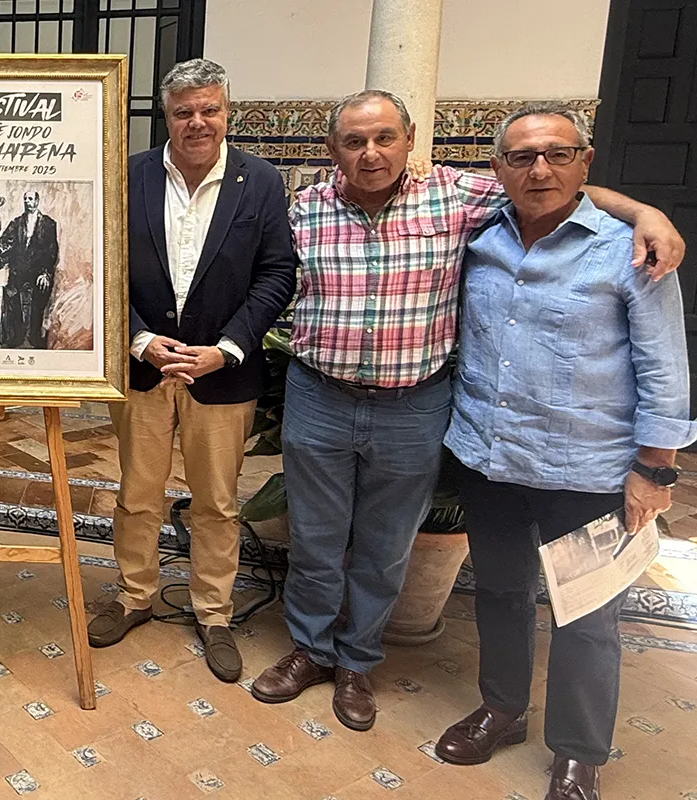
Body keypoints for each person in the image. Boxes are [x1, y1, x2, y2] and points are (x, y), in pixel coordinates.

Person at [250, 89, 685, 734]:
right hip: (320, 397)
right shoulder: (304, 208)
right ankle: (311, 650)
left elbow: (553, 190)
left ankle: (357, 662)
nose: (371, 153)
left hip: (414, 407)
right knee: (315, 539)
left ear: (410, 139)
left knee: (385, 547)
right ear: (331, 149)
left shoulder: (457, 197)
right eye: (353, 141)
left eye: (385, 138)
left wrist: (647, 212)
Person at [431, 104, 696, 800]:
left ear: (585, 161)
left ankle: (578, 753)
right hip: (490, 457)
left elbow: (665, 368)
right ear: (498, 169)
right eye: (521, 157)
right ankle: (502, 709)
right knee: (500, 592)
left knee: (586, 613)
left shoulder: (630, 251)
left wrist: (655, 469)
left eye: (558, 153)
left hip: (587, 469)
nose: (539, 169)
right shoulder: (481, 238)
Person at [89, 59, 297, 684]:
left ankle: (213, 613)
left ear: (227, 112)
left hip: (221, 373)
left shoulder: (260, 181)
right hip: (144, 369)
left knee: (217, 502)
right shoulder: (128, 175)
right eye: (184, 112)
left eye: (210, 110)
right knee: (137, 494)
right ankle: (134, 596)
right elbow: (99, 262)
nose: (197, 122)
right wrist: (139, 340)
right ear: (166, 116)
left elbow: (277, 273)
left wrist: (227, 348)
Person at [0, 190, 59, 348]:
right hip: (19, 270)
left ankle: (35, 335)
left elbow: (51, 251)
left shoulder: (48, 224)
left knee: (41, 293)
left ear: (37, 201)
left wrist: (45, 273)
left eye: (30, 199)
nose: (27, 202)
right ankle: (17, 334)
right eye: (25, 199)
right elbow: (4, 241)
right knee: (11, 292)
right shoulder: (17, 222)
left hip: (39, 270)